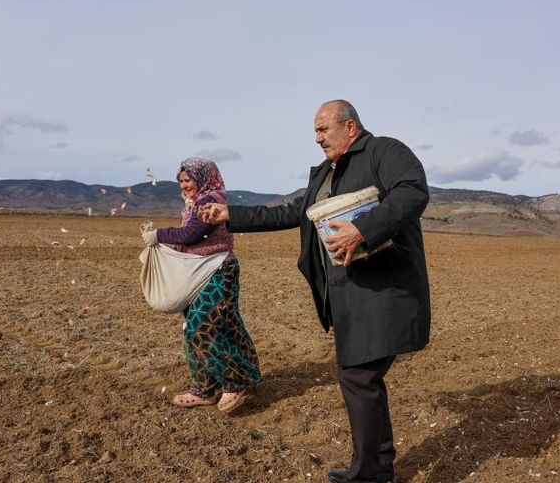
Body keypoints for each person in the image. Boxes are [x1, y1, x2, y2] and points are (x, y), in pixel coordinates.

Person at [200, 100, 431, 482]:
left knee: (358, 376)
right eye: (315, 131)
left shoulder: (384, 151)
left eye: (323, 130)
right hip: (350, 293)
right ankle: (377, 466)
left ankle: (371, 473)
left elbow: (412, 191)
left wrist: (364, 229)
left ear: (350, 127)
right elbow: (292, 211)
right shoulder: (326, 172)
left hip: (384, 289)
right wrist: (231, 215)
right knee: (361, 377)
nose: (317, 138)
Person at [141, 157, 262, 413]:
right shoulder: (194, 203)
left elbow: (192, 234)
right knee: (220, 326)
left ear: (203, 179)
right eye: (181, 181)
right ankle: (206, 388)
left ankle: (234, 383)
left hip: (218, 271)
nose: (184, 185)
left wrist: (159, 235)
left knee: (204, 325)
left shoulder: (209, 201)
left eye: (189, 180)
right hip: (199, 273)